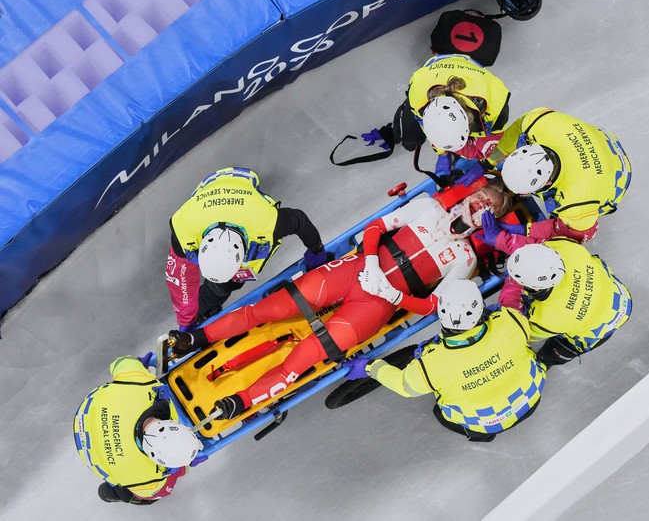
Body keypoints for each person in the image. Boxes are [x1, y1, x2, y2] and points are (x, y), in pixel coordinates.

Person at [169, 178, 516, 420]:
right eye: (484, 195)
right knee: (269, 309)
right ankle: (193, 338)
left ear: (491, 220)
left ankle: (238, 402)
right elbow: (376, 228)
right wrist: (368, 262)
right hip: (356, 270)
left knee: (305, 358)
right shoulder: (428, 208)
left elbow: (433, 306)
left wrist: (394, 295)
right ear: (471, 194)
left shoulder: (466, 260)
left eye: (491, 207)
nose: (483, 203)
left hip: (377, 306)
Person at [344, 279, 546, 441]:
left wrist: (370, 366)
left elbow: (403, 386)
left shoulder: (432, 364)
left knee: (439, 412)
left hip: (483, 423)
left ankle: (478, 433)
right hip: (531, 399)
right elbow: (514, 311)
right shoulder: (510, 322)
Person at [165, 167, 328, 330]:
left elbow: (299, 220)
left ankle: (218, 291)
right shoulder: (183, 229)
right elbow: (181, 278)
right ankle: (211, 297)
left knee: (232, 282)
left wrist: (317, 249)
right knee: (221, 285)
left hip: (244, 188)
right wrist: (187, 320)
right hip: (205, 200)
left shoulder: (266, 222)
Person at [472, 108, 632, 253]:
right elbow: (517, 130)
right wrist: (488, 161)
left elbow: (575, 236)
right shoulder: (538, 123)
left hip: (617, 174)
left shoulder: (577, 203)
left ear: (547, 184)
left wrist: (526, 231)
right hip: (599, 140)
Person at [73, 355, 203, 505]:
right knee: (142, 494)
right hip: (87, 427)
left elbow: (120, 362)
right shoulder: (145, 478)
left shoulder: (141, 386)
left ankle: (115, 493)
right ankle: (115, 492)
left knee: (150, 496)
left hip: (88, 415)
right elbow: (119, 364)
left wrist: (181, 469)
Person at [499, 239, 632, 367]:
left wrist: (511, 291)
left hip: (601, 326)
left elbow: (519, 332)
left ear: (535, 287)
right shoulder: (566, 248)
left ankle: (543, 363)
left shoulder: (547, 318)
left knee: (554, 353)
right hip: (620, 297)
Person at [405, 54, 511, 175]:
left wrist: (488, 161)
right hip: (433, 73)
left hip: (473, 74)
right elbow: (429, 127)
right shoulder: (416, 97)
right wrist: (441, 151)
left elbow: (486, 147)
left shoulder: (496, 106)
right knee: (408, 140)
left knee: (480, 152)